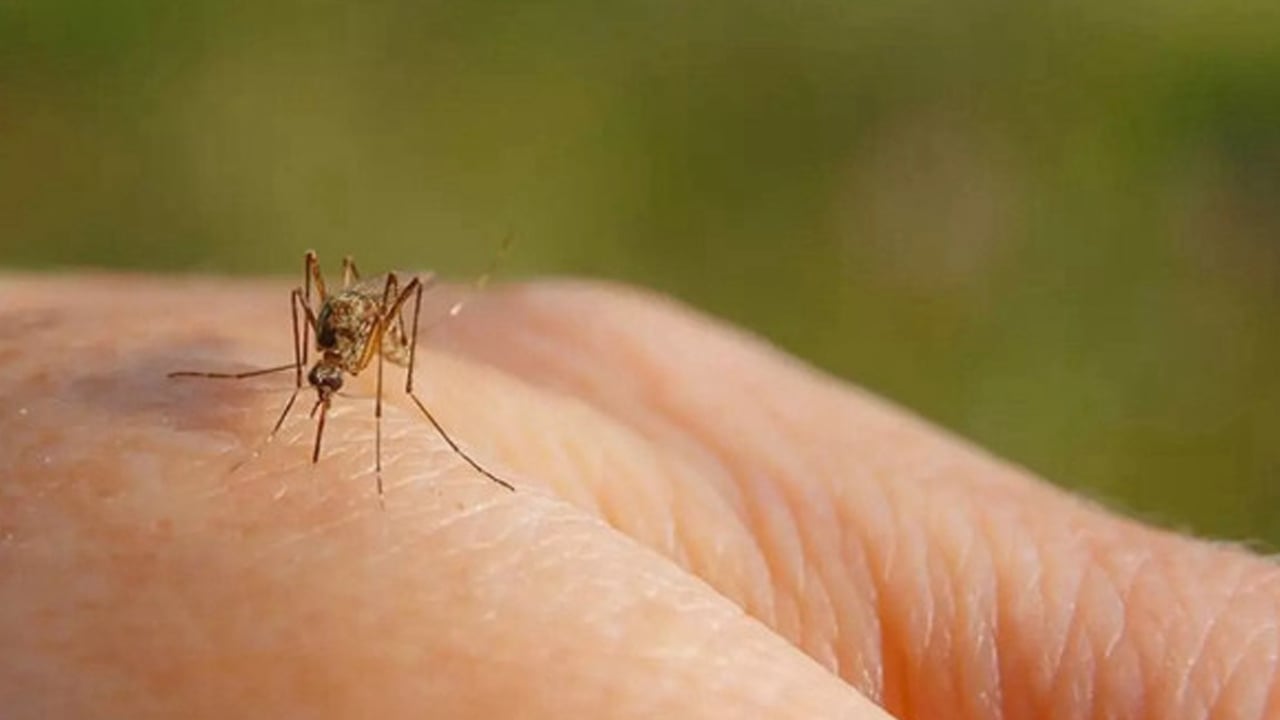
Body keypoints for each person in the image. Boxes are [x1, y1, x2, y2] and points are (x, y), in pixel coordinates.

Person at [2, 276, 1275, 719]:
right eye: (326, 371)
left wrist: (394, 401)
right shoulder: (318, 343)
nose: (329, 379)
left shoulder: (374, 348)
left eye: (330, 371)